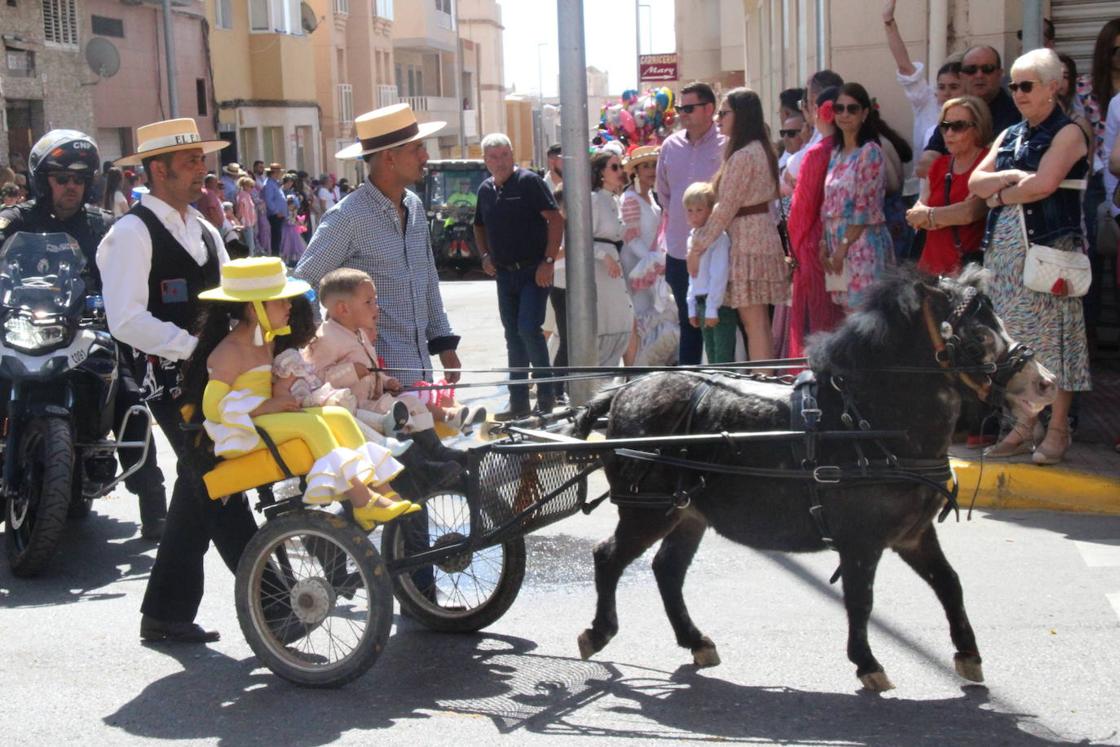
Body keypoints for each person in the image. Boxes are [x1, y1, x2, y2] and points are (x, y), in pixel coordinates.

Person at [97, 117, 238, 642]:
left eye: (202, 159)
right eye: (190, 161)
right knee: (220, 475)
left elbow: (230, 293)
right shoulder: (130, 233)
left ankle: (166, 612)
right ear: (158, 171)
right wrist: (193, 349)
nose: (202, 170)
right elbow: (126, 319)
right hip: (168, 378)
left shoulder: (202, 228)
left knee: (200, 481)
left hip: (215, 374)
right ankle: (277, 599)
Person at [1, 129, 169, 542]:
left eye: (79, 178)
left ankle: (154, 504)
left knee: (130, 394)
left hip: (86, 330)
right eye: (61, 178)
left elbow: (136, 269)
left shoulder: (105, 227)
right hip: (21, 326)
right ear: (44, 181)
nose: (71, 186)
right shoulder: (15, 220)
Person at [188, 256, 416, 529]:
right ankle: (361, 500)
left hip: (267, 422)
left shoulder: (267, 343)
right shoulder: (228, 352)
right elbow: (213, 408)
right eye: (280, 300)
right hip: (241, 432)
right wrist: (267, 406)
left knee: (338, 416)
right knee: (312, 424)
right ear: (253, 308)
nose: (288, 307)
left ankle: (384, 490)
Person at [969, 48, 1092, 466]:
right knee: (1017, 347)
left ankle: (1057, 431)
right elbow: (975, 181)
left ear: (1053, 87)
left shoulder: (1070, 132)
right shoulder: (1009, 135)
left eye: (1027, 85)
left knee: (1056, 344)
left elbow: (1044, 184)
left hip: (1048, 254)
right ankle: (1023, 427)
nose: (1018, 93)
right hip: (1005, 259)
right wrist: (1005, 180)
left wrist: (998, 194)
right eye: (1015, 86)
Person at [294, 103, 464, 389]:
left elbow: (427, 280)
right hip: (373, 387)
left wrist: (443, 342)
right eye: (416, 149)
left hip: (419, 374)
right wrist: (328, 346)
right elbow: (302, 284)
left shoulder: (414, 206)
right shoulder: (347, 218)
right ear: (389, 158)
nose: (425, 156)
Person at [302, 268, 478, 460]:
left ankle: (435, 450)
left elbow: (370, 368)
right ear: (343, 308)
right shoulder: (325, 338)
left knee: (413, 403)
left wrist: (386, 381)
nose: (376, 307)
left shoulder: (359, 332)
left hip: (373, 399)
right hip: (355, 409)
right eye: (369, 302)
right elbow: (315, 379)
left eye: (375, 300)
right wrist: (350, 372)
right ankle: (418, 461)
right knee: (397, 413)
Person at [686, 87, 790, 362]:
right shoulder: (760, 149)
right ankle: (764, 380)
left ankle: (761, 383)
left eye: (724, 112)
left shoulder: (744, 155)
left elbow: (724, 208)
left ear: (741, 115)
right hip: (759, 234)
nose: (719, 118)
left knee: (753, 322)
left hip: (747, 239)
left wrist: (696, 247)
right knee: (759, 323)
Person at [474, 132, 563, 419]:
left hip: (533, 272)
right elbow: (479, 226)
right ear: (485, 160)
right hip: (504, 275)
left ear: (512, 155)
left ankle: (548, 399)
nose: (499, 161)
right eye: (493, 156)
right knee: (513, 336)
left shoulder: (529, 182)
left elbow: (555, 219)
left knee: (529, 329)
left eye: (504, 155)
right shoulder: (485, 189)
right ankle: (519, 404)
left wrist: (548, 261)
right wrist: (485, 256)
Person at [655, 81, 726, 365]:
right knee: (689, 323)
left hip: (718, 251)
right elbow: (664, 195)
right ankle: (686, 392)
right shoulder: (670, 146)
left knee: (720, 322)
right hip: (680, 251)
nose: (682, 113)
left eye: (689, 107)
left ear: (709, 109)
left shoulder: (726, 144)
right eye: (680, 108)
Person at [822, 82, 896, 311]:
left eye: (852, 109)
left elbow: (863, 210)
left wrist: (841, 249)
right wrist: (824, 245)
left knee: (865, 318)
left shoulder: (870, 152)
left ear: (864, 113)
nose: (844, 114)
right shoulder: (836, 153)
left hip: (862, 245)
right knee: (848, 317)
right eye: (839, 108)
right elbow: (828, 204)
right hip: (838, 245)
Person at [787, 87, 847, 359]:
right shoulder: (855, 148)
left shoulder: (818, 152)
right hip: (847, 247)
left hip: (814, 249)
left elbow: (801, 211)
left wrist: (795, 254)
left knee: (815, 328)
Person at [882, 0, 963, 195]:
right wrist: (888, 21)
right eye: (942, 87)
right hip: (923, 191)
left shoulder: (975, 113)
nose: (947, 93)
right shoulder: (926, 102)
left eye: (954, 87)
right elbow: (904, 66)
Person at [908, 96, 992, 275]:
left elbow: (970, 212)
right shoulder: (939, 165)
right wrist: (943, 216)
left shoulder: (988, 162)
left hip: (967, 274)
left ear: (977, 128)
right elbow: (915, 216)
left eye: (958, 126)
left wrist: (930, 216)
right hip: (930, 268)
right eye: (945, 126)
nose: (949, 133)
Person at [918, 45, 1021, 178]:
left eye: (987, 69)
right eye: (971, 70)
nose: (979, 75)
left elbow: (1000, 167)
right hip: (949, 192)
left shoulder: (1015, 112)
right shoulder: (954, 111)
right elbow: (924, 165)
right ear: (961, 76)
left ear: (999, 74)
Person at [620, 146, 678, 366]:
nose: (651, 170)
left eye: (654, 165)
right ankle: (636, 369)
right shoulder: (630, 198)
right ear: (635, 171)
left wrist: (657, 261)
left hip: (653, 265)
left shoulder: (653, 198)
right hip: (636, 265)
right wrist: (651, 261)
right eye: (645, 166)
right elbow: (631, 237)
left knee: (658, 312)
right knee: (642, 315)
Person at [588, 150, 636, 368]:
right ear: (600, 173)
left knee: (623, 321)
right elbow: (581, 239)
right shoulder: (594, 199)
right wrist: (603, 256)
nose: (619, 172)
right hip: (600, 269)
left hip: (614, 266)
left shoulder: (615, 200)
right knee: (608, 323)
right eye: (614, 167)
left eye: (620, 167)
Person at [683, 183, 734, 363]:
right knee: (711, 354)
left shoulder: (719, 238)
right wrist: (691, 307)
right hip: (701, 302)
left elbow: (719, 274)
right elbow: (693, 276)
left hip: (718, 304)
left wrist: (713, 308)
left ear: (711, 210)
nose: (694, 215)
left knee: (723, 356)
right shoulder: (693, 237)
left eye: (699, 210)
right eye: (689, 210)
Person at [262, 163, 287, 256]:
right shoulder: (269, 184)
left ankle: (277, 257)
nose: (280, 174)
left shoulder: (274, 183)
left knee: (278, 238)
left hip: (279, 215)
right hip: (275, 215)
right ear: (274, 173)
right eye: (279, 172)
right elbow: (268, 200)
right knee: (275, 238)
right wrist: (276, 212)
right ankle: (275, 257)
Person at [234, 176, 258, 256]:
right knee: (250, 246)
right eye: (251, 186)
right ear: (245, 186)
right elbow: (240, 210)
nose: (252, 188)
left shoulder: (246, 195)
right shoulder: (243, 196)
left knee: (251, 245)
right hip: (246, 224)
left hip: (249, 224)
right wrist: (237, 221)